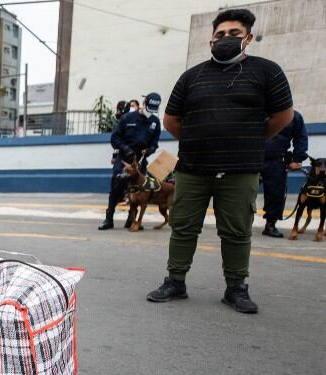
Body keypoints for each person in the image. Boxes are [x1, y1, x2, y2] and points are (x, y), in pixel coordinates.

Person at [147, 8, 294, 314]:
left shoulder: (267, 72)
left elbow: (284, 116)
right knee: (184, 226)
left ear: (248, 38)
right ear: (210, 41)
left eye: (234, 34)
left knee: (237, 231)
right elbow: (172, 119)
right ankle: (175, 281)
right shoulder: (191, 77)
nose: (226, 39)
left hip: (240, 170)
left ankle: (236, 288)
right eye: (220, 35)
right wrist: (197, 140)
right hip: (193, 168)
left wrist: (249, 140)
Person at [99, 92, 162, 230]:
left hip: (140, 161)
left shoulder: (155, 122)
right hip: (124, 159)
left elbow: (155, 142)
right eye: (148, 108)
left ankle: (131, 220)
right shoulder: (127, 118)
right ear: (144, 103)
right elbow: (114, 138)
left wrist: (151, 149)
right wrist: (125, 148)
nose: (150, 113)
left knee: (138, 191)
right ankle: (108, 219)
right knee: (116, 187)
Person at [260, 111, 307, 238]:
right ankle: (239, 224)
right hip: (252, 157)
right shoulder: (256, 110)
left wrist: (297, 159)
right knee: (244, 191)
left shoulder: (292, 116)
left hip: (277, 160)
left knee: (275, 194)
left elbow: (300, 137)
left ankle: (270, 224)